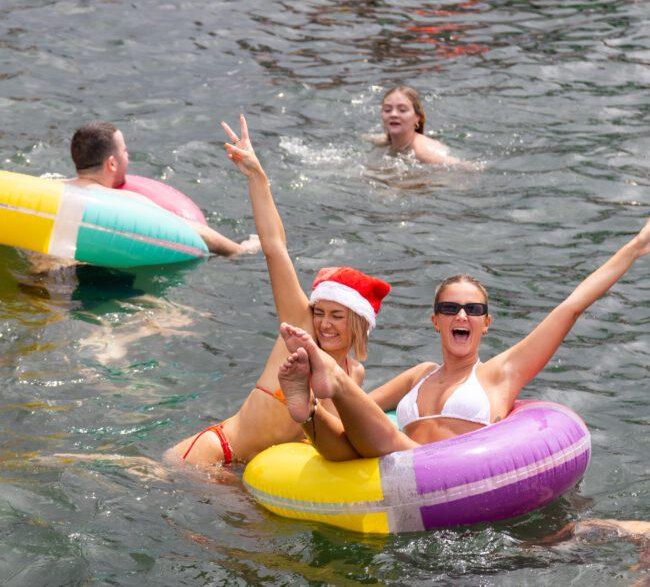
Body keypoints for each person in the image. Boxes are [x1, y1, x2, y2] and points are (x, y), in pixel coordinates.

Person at [276, 217, 650, 460]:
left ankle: (333, 378)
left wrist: (636, 245)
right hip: (389, 472)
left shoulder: (500, 374)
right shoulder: (418, 375)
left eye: (472, 311)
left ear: (485, 324)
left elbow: (571, 307)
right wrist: (323, 409)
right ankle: (305, 408)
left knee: (391, 444)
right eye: (451, 308)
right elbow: (357, 415)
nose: (461, 316)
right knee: (344, 444)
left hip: (437, 472)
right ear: (435, 320)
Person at [165, 114, 391, 465]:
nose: (325, 324)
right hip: (213, 455)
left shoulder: (351, 374)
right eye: (321, 312)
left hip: (252, 472)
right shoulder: (301, 329)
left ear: (358, 322)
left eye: (337, 316)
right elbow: (274, 248)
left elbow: (336, 436)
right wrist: (257, 176)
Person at [68, 121, 259, 257]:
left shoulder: (55, 185)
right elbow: (195, 232)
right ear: (111, 164)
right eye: (125, 151)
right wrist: (242, 249)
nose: (128, 157)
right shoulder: (124, 201)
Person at [365, 85, 474, 167]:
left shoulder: (423, 151)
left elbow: (466, 167)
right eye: (387, 110)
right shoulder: (384, 141)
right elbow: (364, 137)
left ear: (417, 117)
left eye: (402, 110)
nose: (393, 114)